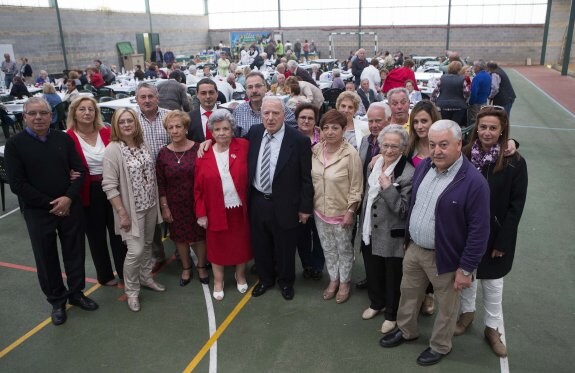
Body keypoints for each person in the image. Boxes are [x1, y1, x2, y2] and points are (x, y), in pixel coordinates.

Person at [379, 120, 490, 367]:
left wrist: (466, 268)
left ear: (459, 144)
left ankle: (440, 345)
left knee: (447, 307)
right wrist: (410, 239)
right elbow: (415, 206)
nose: (437, 150)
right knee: (408, 294)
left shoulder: (474, 183)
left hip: (447, 259)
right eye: (432, 145)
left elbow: (479, 231)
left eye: (444, 145)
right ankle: (407, 330)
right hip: (415, 249)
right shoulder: (425, 166)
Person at [5, 97, 98, 326]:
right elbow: (18, 184)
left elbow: (79, 170)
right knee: (46, 257)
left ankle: (76, 293)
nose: (38, 117)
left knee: (74, 251)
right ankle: (57, 301)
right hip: (38, 212)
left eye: (43, 113)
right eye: (33, 113)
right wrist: (52, 204)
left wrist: (67, 198)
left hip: (69, 206)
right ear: (24, 116)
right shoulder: (15, 145)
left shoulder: (63, 139)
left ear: (51, 115)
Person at [455, 107, 528, 357]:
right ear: (477, 128)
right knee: (467, 274)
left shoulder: (514, 162)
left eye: (493, 128)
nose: (487, 132)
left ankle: (492, 327)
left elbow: (516, 206)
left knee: (493, 283)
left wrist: (503, 240)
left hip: (497, 235)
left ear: (502, 131)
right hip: (467, 231)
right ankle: (466, 315)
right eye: (483, 127)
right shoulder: (464, 155)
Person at [248, 96, 313, 300]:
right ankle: (266, 279)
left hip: (286, 203)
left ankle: (286, 282)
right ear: (261, 115)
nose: (270, 117)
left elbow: (306, 177)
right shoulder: (254, 133)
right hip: (258, 200)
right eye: (266, 113)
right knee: (261, 244)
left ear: (284, 115)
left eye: (275, 113)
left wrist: (305, 208)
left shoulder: (299, 140)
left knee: (285, 246)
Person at [102, 108, 166, 312]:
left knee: (147, 245)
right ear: (116, 125)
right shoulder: (113, 149)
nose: (127, 125)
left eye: (130, 121)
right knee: (135, 251)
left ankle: (146, 278)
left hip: (150, 204)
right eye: (122, 122)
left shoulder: (142, 143)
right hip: (131, 210)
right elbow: (109, 186)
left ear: (136, 123)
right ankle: (131, 291)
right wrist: (122, 213)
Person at [66, 96, 127, 286]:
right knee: (96, 235)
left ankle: (125, 273)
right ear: (74, 112)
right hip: (87, 191)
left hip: (113, 187)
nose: (87, 113)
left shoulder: (107, 132)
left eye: (91, 109)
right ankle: (105, 275)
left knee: (118, 232)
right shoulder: (67, 137)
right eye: (82, 109)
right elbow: (61, 163)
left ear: (96, 113)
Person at [359, 124, 414, 332]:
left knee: (393, 276)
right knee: (372, 269)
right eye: (385, 145)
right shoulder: (374, 164)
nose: (389, 150)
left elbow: (403, 210)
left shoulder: (408, 173)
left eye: (394, 146)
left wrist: (388, 188)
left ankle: (391, 314)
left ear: (403, 148)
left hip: (392, 234)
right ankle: (376, 303)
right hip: (369, 229)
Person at [194, 109, 252, 300]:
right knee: (216, 247)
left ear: (232, 130)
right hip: (215, 210)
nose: (221, 133)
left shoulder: (243, 146)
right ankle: (218, 280)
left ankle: (240, 275)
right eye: (217, 129)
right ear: (211, 131)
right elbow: (198, 188)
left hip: (239, 209)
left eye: (225, 128)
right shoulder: (203, 153)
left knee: (241, 245)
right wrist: (201, 213)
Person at [312, 109, 363, 303]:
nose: (330, 132)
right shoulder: (316, 150)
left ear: (343, 130)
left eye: (335, 128)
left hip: (342, 213)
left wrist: (351, 211)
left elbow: (356, 187)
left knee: (344, 249)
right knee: (328, 249)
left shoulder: (351, 155)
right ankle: (334, 279)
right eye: (326, 128)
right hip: (320, 211)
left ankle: (345, 282)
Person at [156, 111, 208, 287]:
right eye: (170, 127)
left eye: (178, 126)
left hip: (197, 202)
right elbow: (161, 183)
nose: (175, 130)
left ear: (186, 128)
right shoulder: (163, 153)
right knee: (179, 238)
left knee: (200, 236)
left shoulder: (199, 148)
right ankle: (186, 268)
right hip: (174, 204)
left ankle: (201, 266)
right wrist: (165, 207)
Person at [294, 103, 324, 280]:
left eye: (310, 118)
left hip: (321, 192)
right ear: (297, 119)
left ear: (316, 120)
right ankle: (307, 264)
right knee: (302, 232)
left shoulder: (324, 138)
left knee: (319, 232)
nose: (306, 121)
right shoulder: (289, 137)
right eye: (302, 117)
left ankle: (318, 265)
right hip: (299, 193)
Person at [233, 72, 296, 136]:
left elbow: (294, 128)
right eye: (250, 87)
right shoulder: (238, 111)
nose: (254, 90)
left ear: (266, 88)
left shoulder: (279, 107)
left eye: (258, 86)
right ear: (246, 90)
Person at [432, 61, 469, 128]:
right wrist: (464, 99)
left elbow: (436, 91)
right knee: (455, 126)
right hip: (459, 106)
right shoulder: (462, 79)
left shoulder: (443, 78)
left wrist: (433, 101)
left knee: (445, 126)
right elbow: (466, 92)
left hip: (444, 106)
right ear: (459, 69)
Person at [467, 60, 492, 128]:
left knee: (473, 122)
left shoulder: (477, 78)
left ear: (478, 67)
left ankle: (471, 137)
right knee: (481, 120)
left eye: (474, 66)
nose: (473, 68)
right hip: (484, 102)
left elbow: (474, 92)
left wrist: (471, 102)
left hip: (476, 103)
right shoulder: (488, 76)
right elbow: (490, 89)